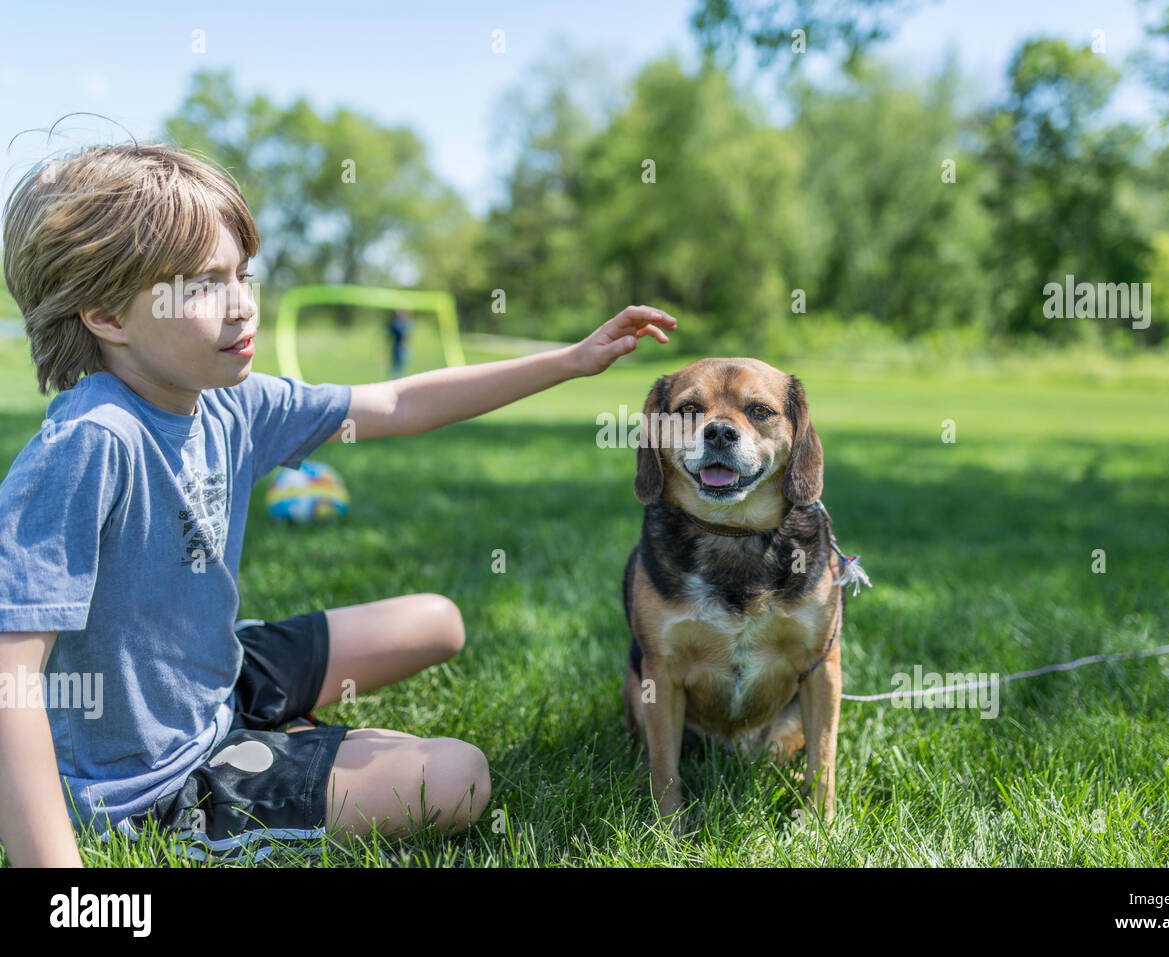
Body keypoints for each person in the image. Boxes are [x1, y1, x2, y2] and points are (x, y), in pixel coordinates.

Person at [0, 142, 676, 867]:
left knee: (438, 620)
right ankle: (245, 766)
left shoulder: (230, 403)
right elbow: (12, 673)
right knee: (459, 776)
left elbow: (397, 401)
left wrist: (571, 359)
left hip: (215, 677)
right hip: (150, 779)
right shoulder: (91, 443)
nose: (242, 304)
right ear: (105, 315)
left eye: (242, 275)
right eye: (202, 286)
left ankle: (265, 723)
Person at [387, 309, 412, 377]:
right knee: (396, 365)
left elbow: (407, 334)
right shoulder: (395, 323)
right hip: (397, 346)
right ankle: (394, 379)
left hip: (402, 346)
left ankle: (398, 378)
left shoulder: (406, 321)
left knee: (401, 364)